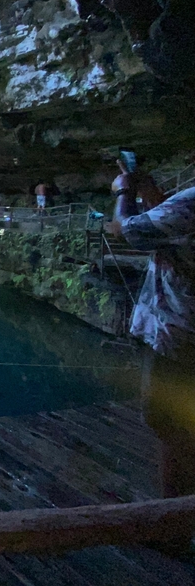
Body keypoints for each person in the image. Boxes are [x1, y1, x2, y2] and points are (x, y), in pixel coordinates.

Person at [111, 165, 195, 497]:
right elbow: (174, 225)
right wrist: (150, 192)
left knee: (170, 423)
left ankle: (174, 516)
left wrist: (124, 191)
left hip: (179, 330)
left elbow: (127, 230)